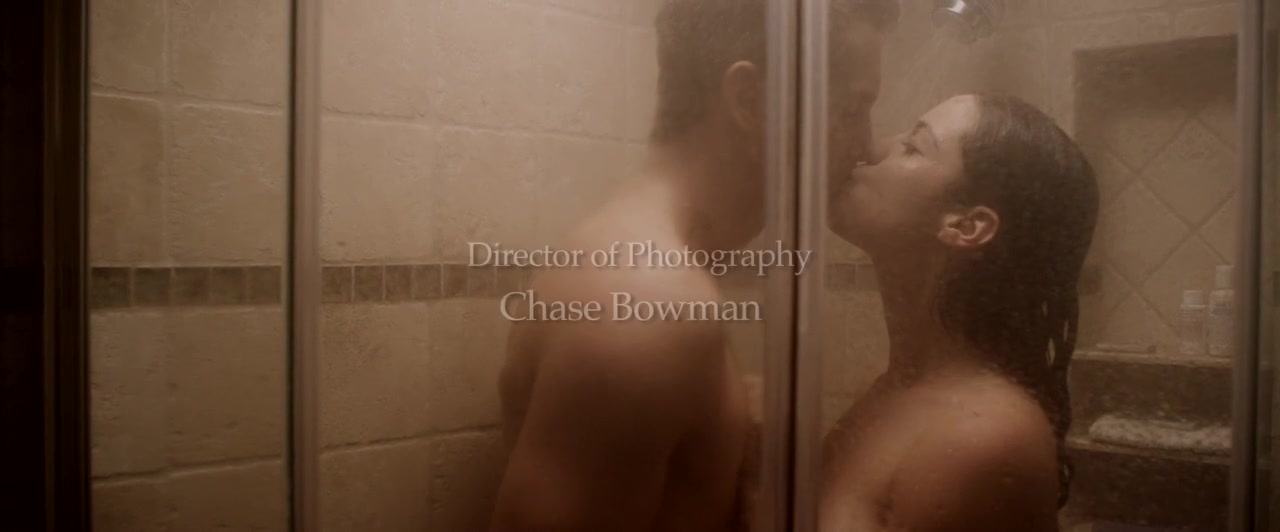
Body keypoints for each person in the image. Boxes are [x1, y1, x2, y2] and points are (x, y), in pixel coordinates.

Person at [489, 1, 899, 531]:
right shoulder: (649, 304)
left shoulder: (648, 274)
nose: (866, 145)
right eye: (851, 109)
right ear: (751, 101)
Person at [821, 93, 1099, 532]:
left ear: (966, 226)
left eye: (912, 147)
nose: (872, 148)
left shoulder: (984, 436)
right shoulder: (895, 385)